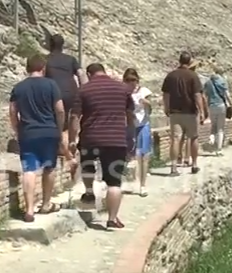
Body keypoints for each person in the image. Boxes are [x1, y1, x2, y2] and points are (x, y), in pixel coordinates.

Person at [68, 63, 134, 229]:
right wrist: (131, 136)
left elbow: (74, 117)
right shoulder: (123, 89)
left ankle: (89, 192)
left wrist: (71, 139)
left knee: (88, 166)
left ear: (89, 74)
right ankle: (112, 218)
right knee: (114, 183)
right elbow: (130, 115)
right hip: (116, 140)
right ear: (104, 71)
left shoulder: (84, 90)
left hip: (90, 138)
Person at [8, 55, 68, 223]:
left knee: (29, 169)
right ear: (43, 68)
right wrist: (59, 129)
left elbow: (13, 112)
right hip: (49, 132)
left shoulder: (18, 87)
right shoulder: (51, 85)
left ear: (28, 68)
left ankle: (29, 211)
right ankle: (46, 204)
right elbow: (60, 110)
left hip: (28, 133)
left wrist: (17, 129)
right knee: (49, 168)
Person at [44, 33, 85, 178]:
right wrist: (84, 90)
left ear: (49, 44)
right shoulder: (71, 59)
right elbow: (81, 75)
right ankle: (73, 141)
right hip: (72, 91)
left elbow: (42, 77)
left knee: (57, 119)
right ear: (63, 45)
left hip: (54, 93)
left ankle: (59, 146)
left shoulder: (46, 60)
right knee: (74, 116)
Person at [162, 52, 205, 175]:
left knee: (175, 139)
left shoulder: (171, 76)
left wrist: (166, 107)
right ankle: (194, 164)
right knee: (193, 138)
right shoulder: (193, 76)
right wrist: (201, 111)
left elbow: (166, 94)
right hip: (190, 112)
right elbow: (197, 95)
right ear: (189, 61)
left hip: (175, 112)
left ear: (179, 61)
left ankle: (174, 167)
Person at [123, 68, 152, 197]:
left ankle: (143, 185)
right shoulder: (123, 93)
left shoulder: (144, 92)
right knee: (127, 155)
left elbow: (150, 108)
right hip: (128, 126)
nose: (131, 83)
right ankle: (125, 181)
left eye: (133, 80)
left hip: (142, 125)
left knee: (143, 156)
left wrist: (146, 103)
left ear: (137, 80)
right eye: (128, 80)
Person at [176, 61, 208, 166]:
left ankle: (179, 156)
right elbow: (200, 96)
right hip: (191, 110)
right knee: (191, 136)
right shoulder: (195, 78)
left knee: (180, 136)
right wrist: (203, 110)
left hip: (178, 110)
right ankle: (187, 158)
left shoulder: (178, 78)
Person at [204, 68, 231, 155]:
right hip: (221, 105)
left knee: (213, 125)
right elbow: (227, 95)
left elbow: (204, 95)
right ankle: (219, 149)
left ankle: (211, 138)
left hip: (211, 106)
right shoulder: (223, 81)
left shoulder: (208, 83)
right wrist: (231, 104)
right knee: (220, 128)